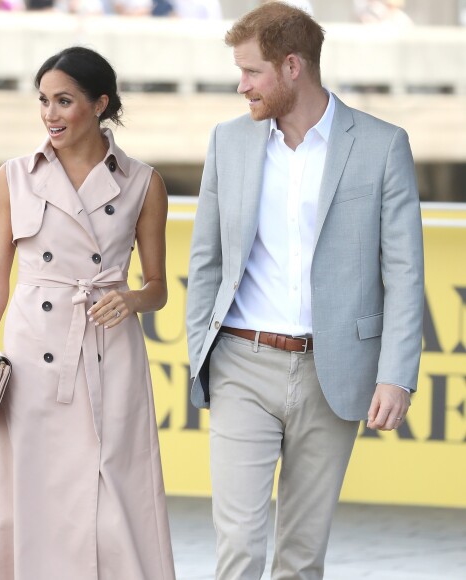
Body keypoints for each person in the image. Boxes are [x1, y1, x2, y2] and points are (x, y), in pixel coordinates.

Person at [186, 2, 424, 579]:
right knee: (239, 546)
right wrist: (202, 351)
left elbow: (405, 271)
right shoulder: (228, 142)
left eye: (251, 72)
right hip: (242, 361)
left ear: (293, 67)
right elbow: (206, 260)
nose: (241, 86)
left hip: (333, 369)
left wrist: (396, 373)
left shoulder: (381, 145)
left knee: (300, 555)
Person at [0, 46, 176, 580]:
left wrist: (129, 299)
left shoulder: (143, 183)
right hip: (35, 354)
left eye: (64, 101)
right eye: (43, 101)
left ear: (100, 104)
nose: (50, 114)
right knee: (33, 490)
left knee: (116, 490)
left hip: (109, 353)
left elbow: (158, 287)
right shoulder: (13, 176)